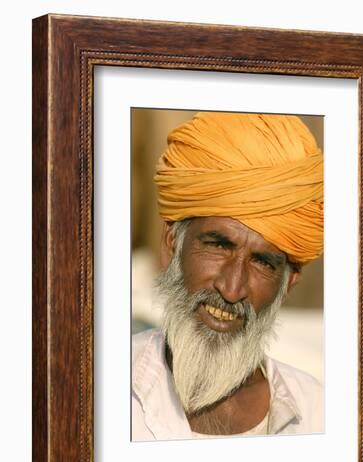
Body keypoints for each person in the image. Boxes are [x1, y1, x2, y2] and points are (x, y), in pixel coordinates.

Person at [132, 112, 324, 441]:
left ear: (289, 282)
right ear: (172, 243)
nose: (232, 289)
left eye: (263, 263)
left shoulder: (319, 415)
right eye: (219, 245)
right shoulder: (92, 387)